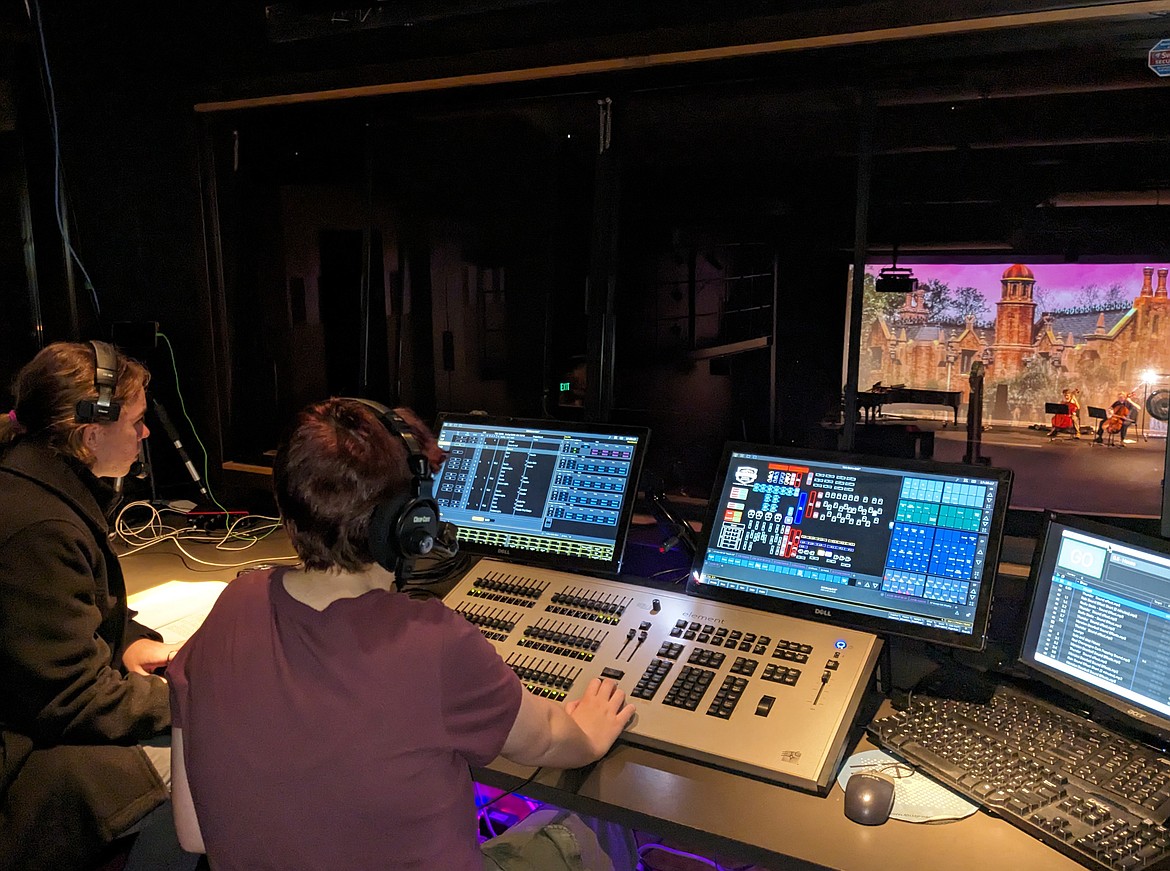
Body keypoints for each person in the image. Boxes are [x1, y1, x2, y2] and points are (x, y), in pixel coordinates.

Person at [168, 398, 637, 870]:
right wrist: (591, 734)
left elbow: (193, 832)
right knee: (586, 829)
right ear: (409, 522)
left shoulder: (233, 604)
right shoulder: (434, 642)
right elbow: (549, 740)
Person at [0, 341, 196, 871]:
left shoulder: (37, 481)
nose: (145, 433)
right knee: (208, 761)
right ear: (90, 434)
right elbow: (67, 696)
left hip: (40, 720)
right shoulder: (42, 527)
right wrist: (188, 698)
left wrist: (132, 643)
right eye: (135, 421)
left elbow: (70, 616)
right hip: (24, 763)